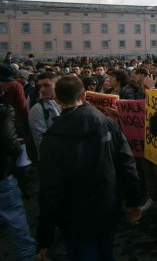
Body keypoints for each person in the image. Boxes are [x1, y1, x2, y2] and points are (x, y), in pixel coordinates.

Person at [37, 76, 142, 260]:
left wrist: (44, 239)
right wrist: (134, 203)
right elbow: (127, 164)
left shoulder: (51, 137)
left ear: (58, 100)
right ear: (85, 95)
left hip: (74, 217)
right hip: (106, 208)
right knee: (106, 252)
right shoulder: (107, 123)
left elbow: (49, 190)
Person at [0, 82, 36, 260]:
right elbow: (10, 143)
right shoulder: (4, 110)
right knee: (14, 215)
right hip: (2, 172)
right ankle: (27, 256)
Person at [28, 71, 61, 155]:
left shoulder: (66, 104)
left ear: (57, 86)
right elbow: (41, 143)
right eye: (40, 86)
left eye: (47, 85)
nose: (42, 89)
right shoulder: (38, 109)